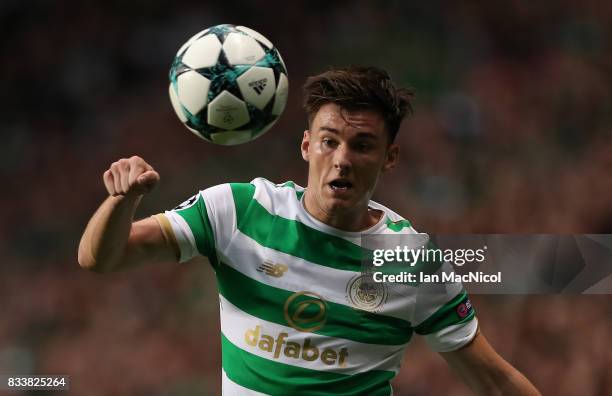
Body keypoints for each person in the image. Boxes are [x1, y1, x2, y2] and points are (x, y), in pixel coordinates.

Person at [78, 66, 540, 395]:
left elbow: (494, 380)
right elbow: (101, 257)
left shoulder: (409, 260)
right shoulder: (239, 210)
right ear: (306, 146)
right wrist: (123, 200)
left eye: (362, 145)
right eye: (329, 141)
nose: (342, 158)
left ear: (390, 159)